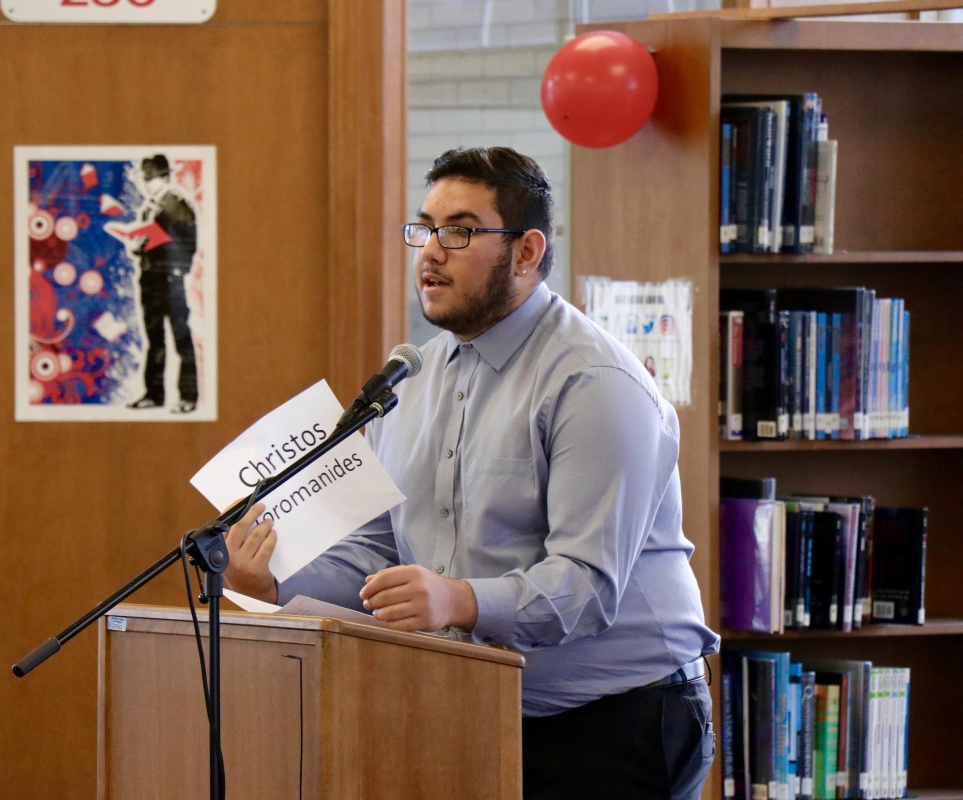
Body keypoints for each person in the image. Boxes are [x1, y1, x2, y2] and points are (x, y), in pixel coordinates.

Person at [224, 146, 719, 799]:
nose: (429, 251)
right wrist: (271, 584)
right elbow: (378, 553)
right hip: (472, 705)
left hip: (618, 721)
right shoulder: (412, 379)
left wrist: (459, 599)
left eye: (458, 231)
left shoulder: (594, 383)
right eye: (422, 228)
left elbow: (586, 587)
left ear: (527, 251)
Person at [128, 154, 200, 412]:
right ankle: (154, 394)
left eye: (152, 179)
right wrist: (139, 246)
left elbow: (189, 243)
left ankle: (189, 397)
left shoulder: (176, 204)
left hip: (171, 280)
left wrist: (178, 271)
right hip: (150, 279)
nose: (146, 184)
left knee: (181, 337)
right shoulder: (150, 207)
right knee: (154, 339)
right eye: (145, 179)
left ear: (165, 177)